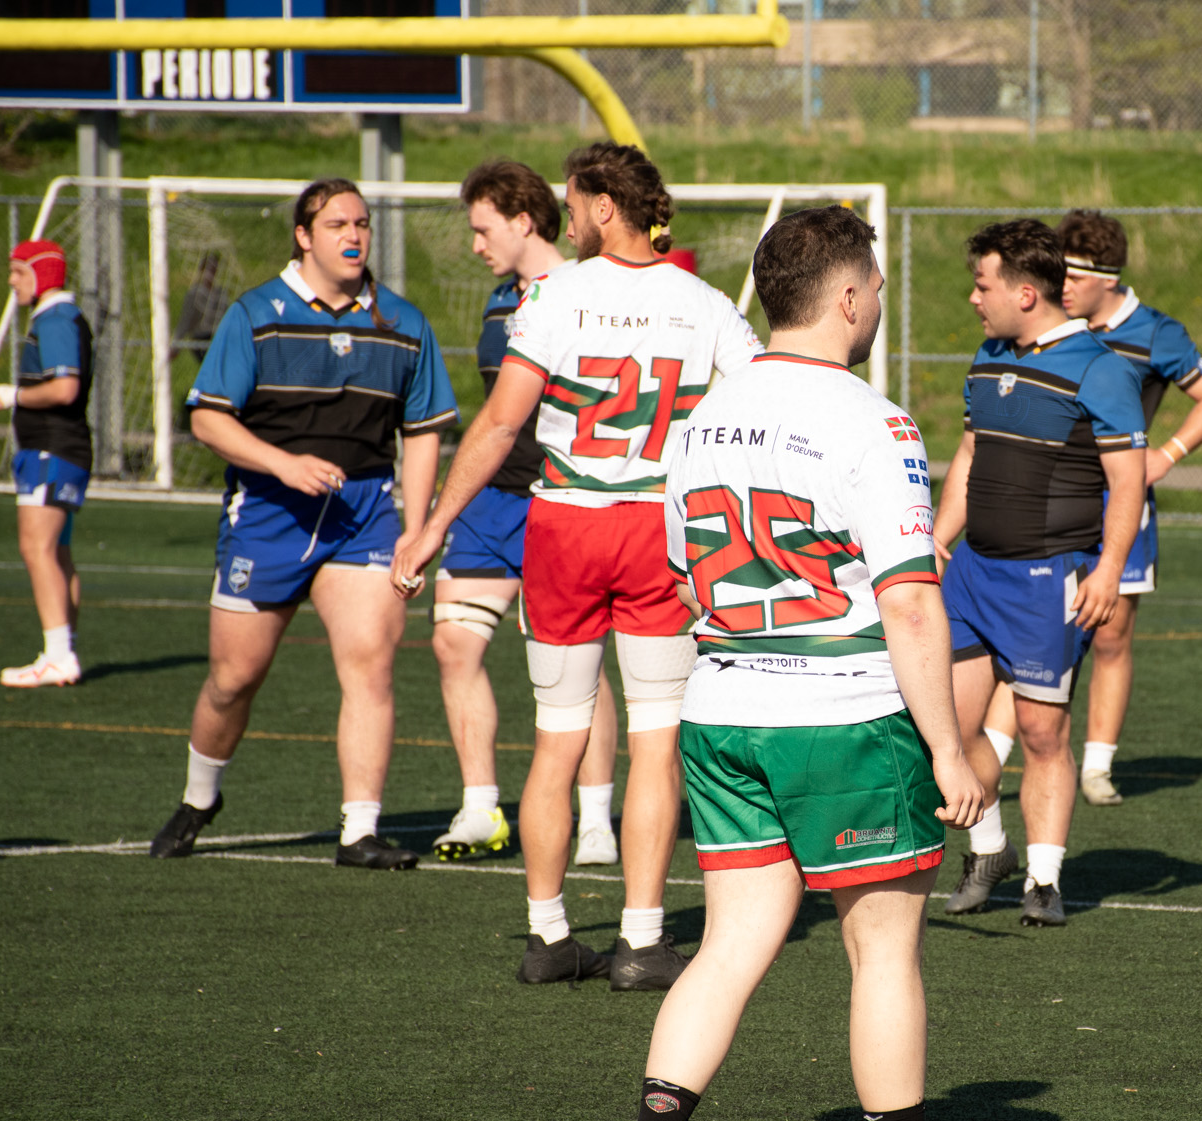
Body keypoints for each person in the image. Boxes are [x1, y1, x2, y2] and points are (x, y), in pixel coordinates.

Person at [611, 205, 1002, 1121]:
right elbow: (910, 600)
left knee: (732, 944)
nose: (877, 300)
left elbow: (678, 562)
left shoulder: (698, 418)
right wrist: (949, 748)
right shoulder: (872, 421)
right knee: (883, 953)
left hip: (722, 705)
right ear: (843, 296)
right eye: (871, 284)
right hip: (840, 713)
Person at [393, 143, 762, 990]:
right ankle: (640, 939)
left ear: (602, 206)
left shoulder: (553, 295)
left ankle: (549, 935)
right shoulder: (703, 303)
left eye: (572, 198)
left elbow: (496, 424)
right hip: (655, 526)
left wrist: (434, 525)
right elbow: (761, 403)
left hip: (562, 522)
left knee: (557, 737)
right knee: (655, 740)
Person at [149, 179, 455, 869]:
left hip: (365, 516)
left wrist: (415, 524)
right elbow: (206, 416)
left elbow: (425, 429)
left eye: (364, 223)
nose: (355, 235)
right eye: (339, 223)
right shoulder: (257, 314)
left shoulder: (402, 323)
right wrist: (282, 465)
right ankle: (201, 796)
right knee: (233, 678)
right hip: (267, 513)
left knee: (371, 664)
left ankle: (360, 829)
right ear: (304, 235)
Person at [969, 211, 1202, 807]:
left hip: (1120, 501)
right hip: (1045, 508)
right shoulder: (1033, 336)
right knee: (1028, 637)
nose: (1061, 285)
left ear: (1108, 278)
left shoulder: (1155, 332)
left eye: (1075, 276)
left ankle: (1097, 766)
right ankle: (1000, 754)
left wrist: (1165, 455)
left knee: (1111, 635)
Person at [932, 219, 1149, 929]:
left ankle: (1043, 880)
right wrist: (939, 539)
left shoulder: (1099, 367)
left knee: (1041, 733)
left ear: (1026, 293)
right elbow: (968, 453)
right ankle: (989, 848)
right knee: (949, 726)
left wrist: (1109, 569)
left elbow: (1128, 478)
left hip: (1046, 579)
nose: (974, 297)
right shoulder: (989, 354)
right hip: (971, 575)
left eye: (983, 284)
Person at [431, 160, 622, 868]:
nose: (476, 243)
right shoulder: (494, 304)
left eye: (484, 229)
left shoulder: (588, 293)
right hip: (492, 503)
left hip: (563, 500)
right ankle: (481, 805)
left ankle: (597, 817)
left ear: (522, 220)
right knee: (454, 643)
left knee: (580, 662)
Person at [0, 239, 95, 689]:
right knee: (57, 552)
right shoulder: (58, 318)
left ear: (41, 274)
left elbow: (64, 389)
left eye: (18, 272)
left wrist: (11, 395)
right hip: (62, 450)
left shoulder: (54, 319)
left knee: (37, 549)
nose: (11, 282)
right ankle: (61, 651)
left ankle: (58, 656)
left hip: (51, 450)